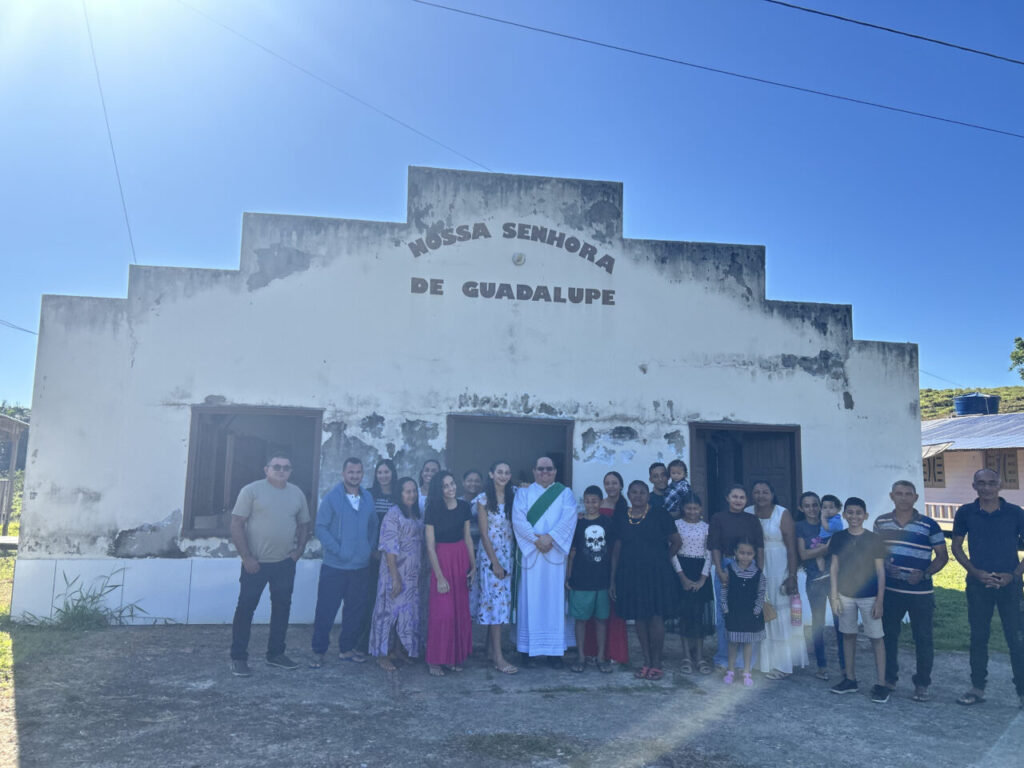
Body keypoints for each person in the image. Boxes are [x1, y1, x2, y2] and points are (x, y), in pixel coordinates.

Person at [228, 452, 310, 676]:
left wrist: (299, 551)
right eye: (277, 467)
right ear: (266, 469)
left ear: (291, 471)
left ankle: (276, 654)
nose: (281, 471)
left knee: (282, 609)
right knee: (246, 609)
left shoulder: (296, 493)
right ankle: (238, 657)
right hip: (255, 564)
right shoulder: (251, 491)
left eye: (286, 467)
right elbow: (236, 523)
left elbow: (304, 524)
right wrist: (246, 557)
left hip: (284, 564)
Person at [951, 468, 1024, 708]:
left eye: (991, 483)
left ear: (1000, 485)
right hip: (978, 584)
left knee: (1016, 638)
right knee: (978, 637)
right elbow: (957, 547)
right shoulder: (965, 513)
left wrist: (1013, 576)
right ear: (974, 486)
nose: (987, 488)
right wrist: (975, 572)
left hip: (1009, 585)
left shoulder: (1015, 513)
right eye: (981, 483)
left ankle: (1022, 692)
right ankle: (977, 688)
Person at [873, 480, 948, 702]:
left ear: (915, 498)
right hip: (891, 590)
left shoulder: (929, 524)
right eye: (899, 493)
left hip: (921, 593)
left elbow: (942, 556)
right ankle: (889, 678)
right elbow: (875, 554)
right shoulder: (881, 522)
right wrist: (886, 566)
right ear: (891, 496)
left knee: (923, 638)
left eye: (908, 494)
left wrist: (924, 574)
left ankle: (922, 683)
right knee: (888, 636)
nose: (903, 497)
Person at [609, 480, 682, 681]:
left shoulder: (660, 514)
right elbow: (616, 550)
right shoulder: (622, 516)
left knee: (656, 616)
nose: (638, 496)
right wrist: (613, 579)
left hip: (657, 574)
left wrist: (662, 559)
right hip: (630, 573)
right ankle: (646, 661)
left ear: (648, 495)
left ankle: (657, 663)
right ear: (629, 495)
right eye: (634, 492)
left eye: (642, 492)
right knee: (639, 617)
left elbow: (676, 542)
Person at [310, 457, 377, 667]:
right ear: (343, 474)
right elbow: (320, 527)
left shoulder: (368, 499)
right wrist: (338, 550)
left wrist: (369, 548)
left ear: (362, 474)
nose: (354, 476)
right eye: (351, 472)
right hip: (335, 567)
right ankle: (318, 651)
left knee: (354, 611)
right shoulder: (332, 498)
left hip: (360, 567)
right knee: (326, 610)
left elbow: (373, 526)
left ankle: (346, 649)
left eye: (358, 472)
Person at [512, 455, 578, 667]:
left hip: (555, 553)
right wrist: (535, 540)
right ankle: (527, 650)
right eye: (541, 469)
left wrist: (551, 538)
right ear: (534, 471)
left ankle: (554, 653)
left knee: (554, 601)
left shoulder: (565, 493)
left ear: (555, 471)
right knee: (529, 600)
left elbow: (569, 518)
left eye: (549, 469)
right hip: (531, 553)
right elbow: (518, 519)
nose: (545, 472)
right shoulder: (523, 493)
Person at [829, 497, 888, 703]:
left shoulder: (874, 539)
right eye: (850, 512)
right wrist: (834, 595)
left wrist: (880, 600)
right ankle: (850, 679)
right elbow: (834, 569)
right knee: (848, 636)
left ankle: (881, 684)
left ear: (866, 516)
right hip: (845, 595)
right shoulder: (838, 538)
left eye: (858, 513)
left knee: (876, 638)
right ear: (844, 515)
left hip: (870, 596)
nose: (854, 516)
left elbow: (881, 571)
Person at [748, 480, 807, 679]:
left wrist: (791, 576)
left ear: (772, 494)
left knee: (780, 614)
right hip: (755, 567)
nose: (761, 495)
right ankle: (760, 662)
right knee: (759, 612)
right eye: (756, 492)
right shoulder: (747, 512)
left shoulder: (782, 513)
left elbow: (791, 548)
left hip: (779, 567)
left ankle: (782, 664)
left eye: (765, 491)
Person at [368, 477, 425, 671]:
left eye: (414, 491)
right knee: (387, 614)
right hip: (395, 573)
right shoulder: (393, 514)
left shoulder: (417, 514)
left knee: (406, 614)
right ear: (399, 494)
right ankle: (382, 655)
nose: (411, 495)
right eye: (407, 491)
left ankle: (399, 651)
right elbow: (389, 549)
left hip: (412, 575)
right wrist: (395, 577)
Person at [424, 471, 475, 676]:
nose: (451, 488)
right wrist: (440, 576)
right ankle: (435, 660)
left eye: (452, 483)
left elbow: (468, 538)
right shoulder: (433, 509)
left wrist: (474, 566)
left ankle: (453, 657)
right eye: (446, 486)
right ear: (439, 489)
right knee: (442, 614)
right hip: (442, 560)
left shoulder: (464, 507)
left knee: (458, 611)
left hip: (460, 557)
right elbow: (430, 546)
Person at [709, 485, 764, 668]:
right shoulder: (718, 518)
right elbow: (715, 546)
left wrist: (759, 572)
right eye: (735, 496)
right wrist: (719, 570)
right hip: (726, 565)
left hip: (750, 567)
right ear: (727, 498)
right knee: (725, 613)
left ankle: (744, 662)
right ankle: (724, 658)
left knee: (747, 612)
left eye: (742, 497)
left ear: (746, 500)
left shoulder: (752, 520)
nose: (738, 500)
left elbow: (759, 547)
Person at [795, 491, 845, 680]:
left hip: (835, 580)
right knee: (818, 623)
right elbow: (803, 554)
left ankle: (844, 665)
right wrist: (826, 548)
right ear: (801, 508)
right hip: (814, 581)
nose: (812, 509)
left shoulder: (834, 523)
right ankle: (822, 665)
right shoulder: (800, 527)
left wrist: (818, 551)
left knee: (841, 623)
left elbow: (842, 547)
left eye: (815, 505)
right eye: (807, 506)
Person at [474, 461, 518, 675]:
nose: (503, 475)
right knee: (496, 605)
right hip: (491, 558)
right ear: (491, 474)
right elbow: (483, 533)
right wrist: (495, 562)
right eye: (499, 472)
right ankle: (499, 658)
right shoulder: (483, 500)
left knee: (500, 603)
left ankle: (491, 650)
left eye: (507, 472)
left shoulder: (514, 495)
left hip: (508, 555)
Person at [567, 486, 616, 674]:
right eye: (587, 501)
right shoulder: (577, 524)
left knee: (601, 620)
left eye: (594, 501)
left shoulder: (607, 522)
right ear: (584, 502)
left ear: (601, 501)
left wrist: (612, 579)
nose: (591, 505)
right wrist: (568, 576)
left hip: (602, 580)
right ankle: (580, 656)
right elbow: (572, 553)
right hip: (581, 579)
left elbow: (612, 552)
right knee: (580, 620)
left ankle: (601, 656)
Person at [583, 475, 630, 665]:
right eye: (607, 483)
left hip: (618, 559)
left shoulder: (625, 508)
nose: (611, 486)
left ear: (621, 485)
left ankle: (615, 653)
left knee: (614, 607)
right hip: (596, 558)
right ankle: (592, 650)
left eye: (614, 483)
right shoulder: (597, 505)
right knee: (595, 605)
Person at [669, 493, 714, 674]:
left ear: (701, 509)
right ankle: (686, 656)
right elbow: (672, 552)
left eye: (696, 508)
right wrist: (682, 578)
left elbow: (709, 553)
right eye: (689, 508)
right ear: (683, 508)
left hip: (700, 569)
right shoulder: (677, 526)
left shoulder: (706, 527)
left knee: (699, 616)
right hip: (682, 569)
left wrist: (703, 579)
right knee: (685, 615)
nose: (692, 511)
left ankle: (700, 657)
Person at [357, 458, 399, 653]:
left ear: (393, 473)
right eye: (380, 472)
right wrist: (371, 550)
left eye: (387, 472)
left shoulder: (399, 495)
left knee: (393, 600)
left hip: (395, 556)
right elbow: (363, 525)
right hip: (373, 556)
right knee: (370, 599)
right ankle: (366, 642)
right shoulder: (368, 495)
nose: (383, 475)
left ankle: (390, 643)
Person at [720, 539, 766, 687]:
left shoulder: (758, 573)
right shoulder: (729, 570)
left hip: (750, 614)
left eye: (749, 554)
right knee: (733, 643)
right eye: (742, 553)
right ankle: (731, 670)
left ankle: (746, 671)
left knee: (748, 643)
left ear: (754, 555)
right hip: (733, 612)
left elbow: (761, 592)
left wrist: (757, 610)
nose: (745, 556)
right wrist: (725, 608)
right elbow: (724, 589)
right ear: (735, 553)